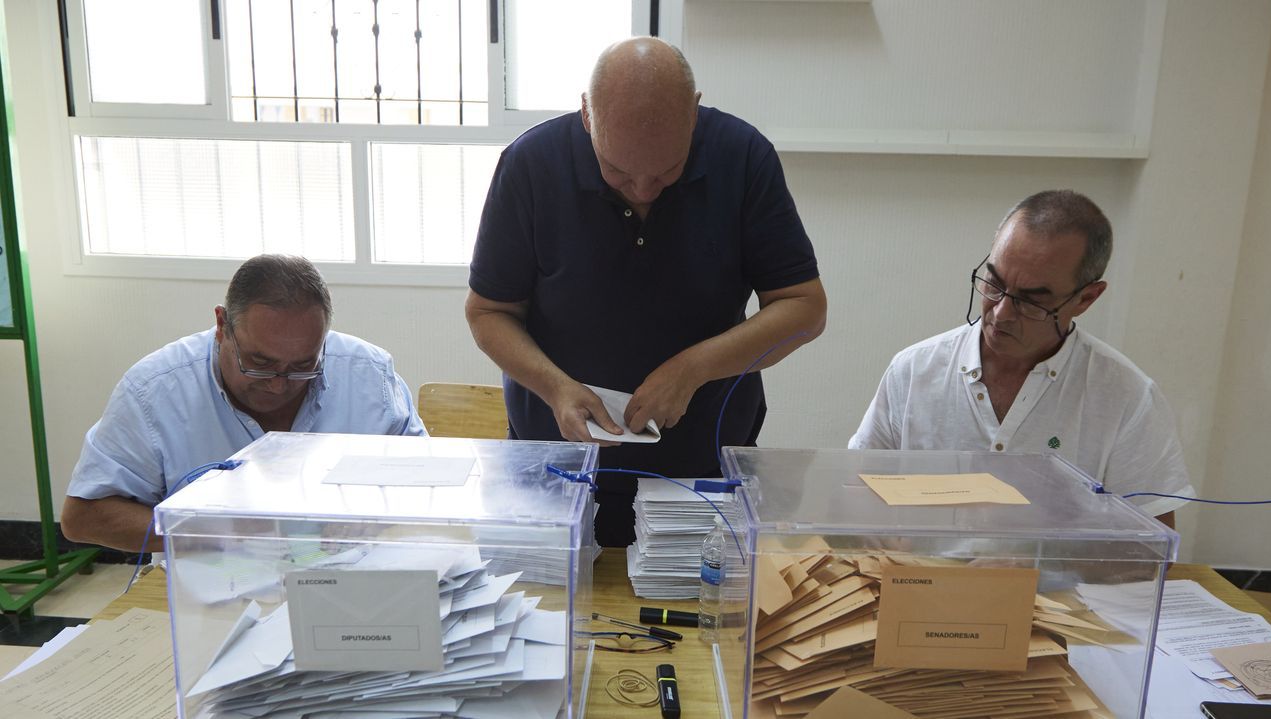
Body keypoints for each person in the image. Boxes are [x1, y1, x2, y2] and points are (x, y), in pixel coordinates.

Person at [465, 37, 826, 546]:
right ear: (587, 114)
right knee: (545, 614)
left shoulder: (743, 159)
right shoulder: (530, 166)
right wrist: (555, 388)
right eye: (617, 171)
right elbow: (488, 312)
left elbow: (805, 308)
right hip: (560, 463)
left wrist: (693, 369)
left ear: (694, 113)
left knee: (694, 614)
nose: (642, 190)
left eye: (665, 173)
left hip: (701, 464)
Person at [849, 190, 1192, 527]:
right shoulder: (914, 372)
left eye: (1031, 301)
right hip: (920, 576)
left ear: (1087, 298)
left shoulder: (1126, 398)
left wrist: (1042, 565)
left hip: (1052, 585)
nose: (1001, 313)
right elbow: (853, 493)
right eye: (994, 284)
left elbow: (1150, 549)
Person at [61, 254, 426, 552]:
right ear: (222, 326)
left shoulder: (369, 376)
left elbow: (429, 486)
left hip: (350, 573)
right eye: (260, 363)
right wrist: (222, 531)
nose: (279, 385)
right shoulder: (154, 391)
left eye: (302, 366)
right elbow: (83, 517)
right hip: (209, 586)